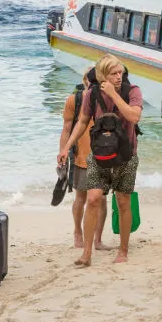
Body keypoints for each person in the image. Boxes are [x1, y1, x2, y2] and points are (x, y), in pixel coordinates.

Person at [57, 55, 143, 267]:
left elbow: (134, 117)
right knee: (93, 198)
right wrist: (66, 147)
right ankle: (86, 253)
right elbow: (82, 121)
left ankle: (123, 250)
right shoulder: (91, 94)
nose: (119, 76)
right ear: (103, 75)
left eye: (120, 72)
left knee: (123, 201)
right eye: (114, 73)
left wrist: (114, 94)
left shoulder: (133, 91)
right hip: (99, 154)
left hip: (126, 155)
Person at [58, 73, 108, 250]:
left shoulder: (107, 98)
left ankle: (98, 239)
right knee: (81, 197)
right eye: (90, 81)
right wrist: (62, 151)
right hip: (81, 156)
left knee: (101, 199)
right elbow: (66, 128)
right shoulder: (75, 100)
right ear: (85, 81)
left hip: (104, 157)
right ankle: (77, 231)